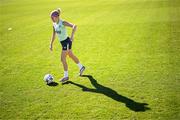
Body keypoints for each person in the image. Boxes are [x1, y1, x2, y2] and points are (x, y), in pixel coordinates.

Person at [49, 8, 85, 82]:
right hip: (63, 43)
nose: (52, 19)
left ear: (57, 16)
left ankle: (66, 76)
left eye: (53, 17)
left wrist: (72, 36)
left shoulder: (63, 22)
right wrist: (51, 44)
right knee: (71, 55)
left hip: (66, 42)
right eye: (51, 18)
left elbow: (74, 26)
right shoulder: (54, 24)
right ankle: (81, 67)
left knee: (62, 59)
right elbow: (53, 35)